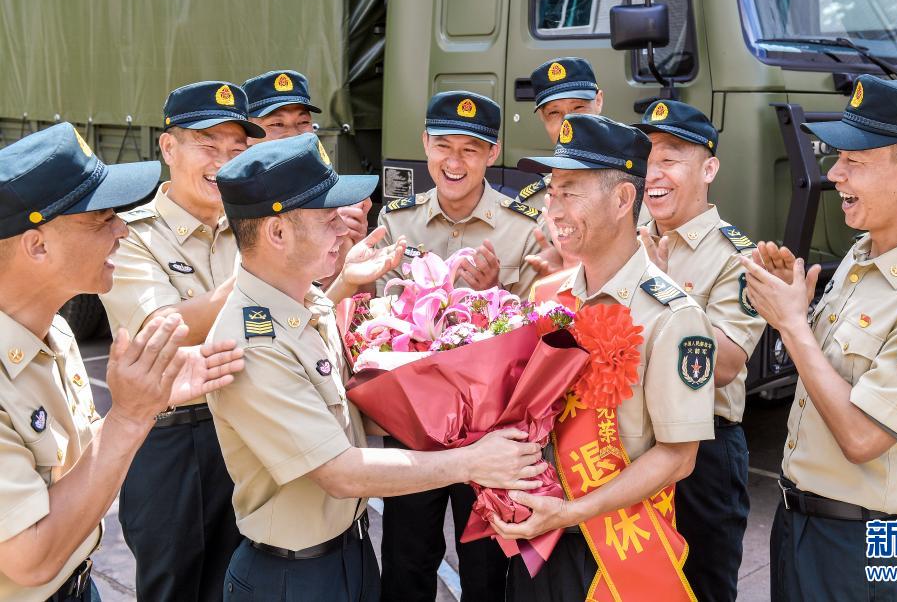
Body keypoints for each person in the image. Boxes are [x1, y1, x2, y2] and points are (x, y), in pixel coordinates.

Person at [207, 133, 546, 600]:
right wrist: (471, 461)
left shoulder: (306, 303)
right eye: (327, 220)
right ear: (278, 233)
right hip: (293, 578)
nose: (341, 231)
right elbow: (340, 472)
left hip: (350, 553)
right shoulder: (253, 343)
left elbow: (351, 409)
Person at [738, 75, 897, 601]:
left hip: (865, 549)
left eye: (855, 160)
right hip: (801, 525)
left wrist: (793, 325)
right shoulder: (866, 251)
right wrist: (792, 309)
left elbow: (862, 439)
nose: (834, 173)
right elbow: (830, 371)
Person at [0, 123, 243, 601]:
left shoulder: (53, 330)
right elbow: (31, 559)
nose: (122, 229)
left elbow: (73, 472)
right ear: (37, 245)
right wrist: (130, 417)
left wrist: (147, 403)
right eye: (101, 217)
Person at [495, 114, 716, 602]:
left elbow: (678, 457)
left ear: (622, 200)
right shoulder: (548, 296)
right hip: (537, 539)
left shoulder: (672, 317)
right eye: (552, 191)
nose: (553, 208)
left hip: (613, 550)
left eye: (570, 192)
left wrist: (570, 513)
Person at [373, 89, 542, 601]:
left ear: (493, 153)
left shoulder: (523, 226)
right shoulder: (396, 221)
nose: (454, 161)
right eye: (444, 146)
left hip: (490, 428)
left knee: (486, 569)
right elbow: (379, 317)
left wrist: (497, 292)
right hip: (413, 423)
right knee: (405, 559)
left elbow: (540, 328)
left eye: (471, 149)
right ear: (425, 143)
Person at [99, 81, 264, 602]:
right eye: (208, 145)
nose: (224, 162)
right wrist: (256, 281)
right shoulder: (132, 234)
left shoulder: (252, 227)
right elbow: (159, 329)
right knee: (174, 585)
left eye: (236, 149)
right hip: (175, 440)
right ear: (169, 148)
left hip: (250, 425)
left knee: (240, 582)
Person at [635, 99, 766, 602]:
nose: (654, 173)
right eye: (647, 158)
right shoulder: (628, 235)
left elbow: (727, 364)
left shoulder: (739, 257)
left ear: (709, 169)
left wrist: (661, 287)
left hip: (704, 450)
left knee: (701, 587)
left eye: (670, 158)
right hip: (630, 439)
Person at [242, 69, 371, 283]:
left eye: (303, 122)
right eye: (277, 124)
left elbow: (336, 295)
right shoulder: (232, 201)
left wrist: (350, 245)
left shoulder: (331, 198)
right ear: (247, 136)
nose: (294, 135)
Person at [516, 57, 604, 211]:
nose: (568, 123)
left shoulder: (638, 185)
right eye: (554, 112)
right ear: (542, 117)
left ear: (598, 101)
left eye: (578, 107)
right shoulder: (531, 203)